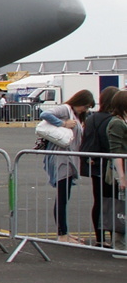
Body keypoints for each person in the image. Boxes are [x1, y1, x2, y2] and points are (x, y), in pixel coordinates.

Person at [38, 91, 93, 242]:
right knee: (62, 197)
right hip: (62, 159)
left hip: (70, 158)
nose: (86, 110)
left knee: (64, 196)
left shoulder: (75, 114)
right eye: (86, 106)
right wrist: (62, 123)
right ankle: (62, 234)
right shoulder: (65, 109)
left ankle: (64, 232)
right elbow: (45, 114)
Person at [80, 86, 119, 245]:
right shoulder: (113, 120)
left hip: (96, 165)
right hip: (110, 166)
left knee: (99, 201)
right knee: (114, 201)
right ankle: (113, 236)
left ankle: (100, 237)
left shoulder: (92, 118)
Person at [107, 90, 127, 253]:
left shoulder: (122, 121)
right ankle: (120, 246)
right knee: (122, 208)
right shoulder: (117, 123)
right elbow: (116, 152)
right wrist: (122, 177)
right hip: (124, 170)